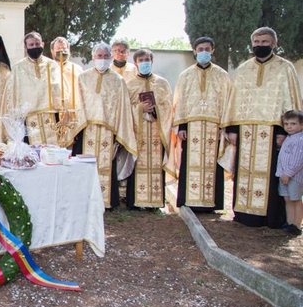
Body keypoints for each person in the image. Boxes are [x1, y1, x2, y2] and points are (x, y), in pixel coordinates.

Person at [222, 27, 302, 228]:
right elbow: (234, 101)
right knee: (244, 172)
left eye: (264, 42)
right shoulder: (243, 69)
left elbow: (291, 101)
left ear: (274, 43)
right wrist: (232, 129)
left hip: (274, 132)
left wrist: (285, 132)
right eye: (256, 42)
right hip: (246, 131)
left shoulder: (286, 68)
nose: (259, 45)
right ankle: (243, 214)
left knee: (274, 175)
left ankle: (272, 218)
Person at [69, 43, 137, 209]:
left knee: (107, 166)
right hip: (86, 128)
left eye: (106, 56)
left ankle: (107, 201)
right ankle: (82, 201)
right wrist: (77, 126)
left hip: (109, 130)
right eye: (99, 56)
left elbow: (123, 108)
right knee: (83, 166)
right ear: (93, 57)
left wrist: (119, 132)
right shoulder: (83, 77)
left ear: (110, 58)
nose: (102, 59)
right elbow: (77, 102)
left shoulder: (118, 80)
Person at [171, 37, 232, 212]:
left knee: (214, 163)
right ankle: (188, 200)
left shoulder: (222, 75)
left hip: (215, 127)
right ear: (194, 51)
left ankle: (213, 202)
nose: (203, 51)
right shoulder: (186, 75)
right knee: (190, 162)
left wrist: (225, 127)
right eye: (200, 48)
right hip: (192, 127)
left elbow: (228, 101)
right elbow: (180, 101)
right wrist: (181, 126)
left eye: (207, 48)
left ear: (212, 50)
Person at [125, 48, 173, 209]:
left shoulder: (162, 83)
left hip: (157, 132)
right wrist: (139, 108)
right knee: (138, 163)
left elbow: (168, 107)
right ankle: (136, 201)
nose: (144, 63)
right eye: (141, 60)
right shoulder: (129, 84)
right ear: (135, 63)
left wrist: (155, 109)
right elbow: (125, 109)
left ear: (152, 62)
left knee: (156, 164)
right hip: (138, 133)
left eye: (147, 60)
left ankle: (155, 201)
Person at [0, 31, 63, 145]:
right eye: (31, 45)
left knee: (52, 153)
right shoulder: (18, 68)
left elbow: (59, 91)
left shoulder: (53, 65)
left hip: (50, 116)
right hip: (27, 119)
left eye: (37, 44)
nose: (35, 47)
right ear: (26, 47)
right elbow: (11, 96)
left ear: (42, 44)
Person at [276, 110, 303, 236]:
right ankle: (289, 222)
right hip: (284, 176)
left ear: (301, 125)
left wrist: (288, 173)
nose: (289, 126)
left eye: (293, 124)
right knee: (287, 199)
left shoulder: (300, 140)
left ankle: (297, 225)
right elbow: (282, 158)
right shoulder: (289, 138)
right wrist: (281, 173)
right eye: (286, 124)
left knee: (295, 199)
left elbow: (298, 160)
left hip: (294, 177)